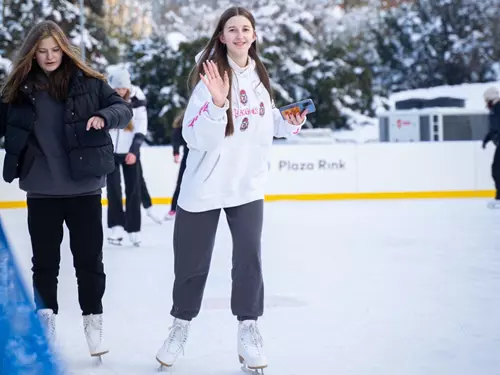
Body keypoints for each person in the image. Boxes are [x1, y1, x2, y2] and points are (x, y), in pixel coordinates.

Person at [155, 6, 308, 372]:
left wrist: (288, 123)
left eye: (246, 29)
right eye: (232, 30)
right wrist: (218, 103)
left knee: (249, 263)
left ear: (254, 35)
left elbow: (263, 121)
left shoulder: (258, 75)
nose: (240, 35)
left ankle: (248, 329)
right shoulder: (210, 78)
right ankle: (179, 328)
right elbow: (196, 137)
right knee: (191, 267)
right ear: (221, 37)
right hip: (203, 190)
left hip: (246, 187)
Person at [0, 21, 133, 358]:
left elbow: (123, 109)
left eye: (55, 50)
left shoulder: (90, 83)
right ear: (32, 52)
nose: (48, 56)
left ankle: (93, 323)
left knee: (89, 261)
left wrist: (104, 115)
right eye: (42, 51)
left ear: (65, 49)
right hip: (42, 190)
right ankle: (46, 323)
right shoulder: (19, 89)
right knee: (44, 263)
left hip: (84, 188)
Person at [106, 68, 149, 246]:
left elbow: (141, 126)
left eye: (123, 88)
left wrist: (134, 151)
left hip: (130, 152)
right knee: (113, 190)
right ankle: (116, 227)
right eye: (117, 88)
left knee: (133, 191)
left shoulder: (137, 101)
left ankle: (134, 230)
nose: (120, 92)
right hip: (110, 153)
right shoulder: (104, 99)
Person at [164, 109, 188, 221]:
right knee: (181, 184)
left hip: (204, 158)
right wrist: (176, 152)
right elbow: (176, 138)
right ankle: (173, 209)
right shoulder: (185, 121)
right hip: (188, 159)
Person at [483, 87, 500, 208]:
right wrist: (487, 139)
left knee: (497, 170)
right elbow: (494, 128)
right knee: (496, 170)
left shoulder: (498, 108)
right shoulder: (494, 109)